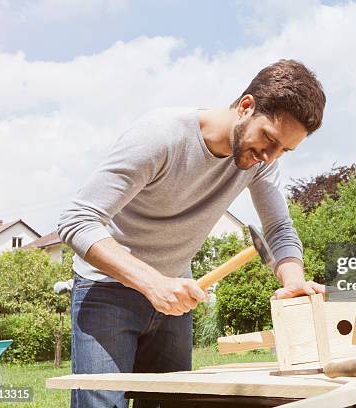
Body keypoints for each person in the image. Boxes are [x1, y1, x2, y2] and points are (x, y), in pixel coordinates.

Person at [58, 59, 326, 408]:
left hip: (174, 298)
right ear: (246, 106)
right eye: (269, 139)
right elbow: (76, 220)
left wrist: (293, 279)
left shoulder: (261, 162)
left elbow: (278, 228)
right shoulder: (162, 135)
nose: (270, 157)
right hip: (107, 291)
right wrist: (153, 283)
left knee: (172, 403)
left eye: (284, 150)